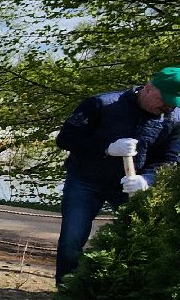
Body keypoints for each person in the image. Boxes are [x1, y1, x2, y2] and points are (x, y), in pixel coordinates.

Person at [54, 68, 180, 284]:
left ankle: (125, 290)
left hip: (129, 186)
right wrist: (107, 148)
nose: (168, 107)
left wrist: (147, 180)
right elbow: (66, 138)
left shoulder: (175, 120)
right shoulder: (101, 104)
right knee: (71, 238)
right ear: (149, 88)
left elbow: (170, 159)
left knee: (140, 238)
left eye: (174, 103)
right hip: (85, 180)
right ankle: (67, 289)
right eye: (165, 100)